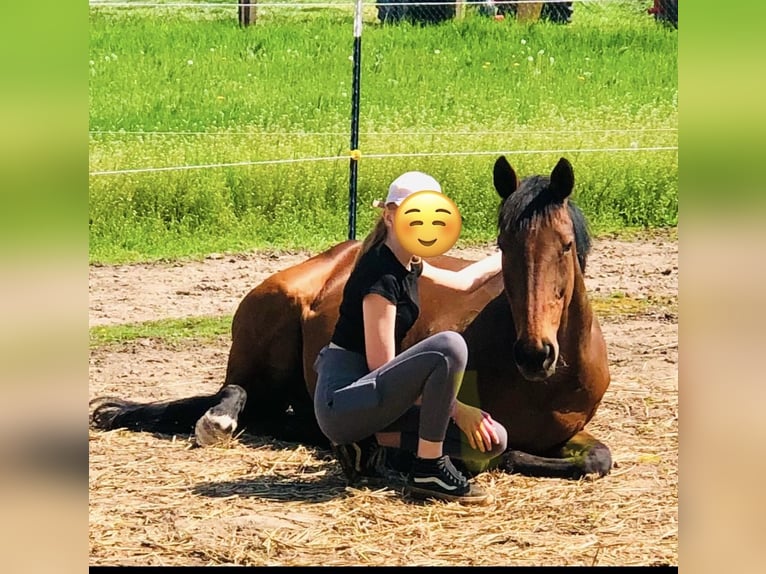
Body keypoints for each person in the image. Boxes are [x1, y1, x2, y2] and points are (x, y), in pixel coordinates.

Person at [313, 171, 508, 505]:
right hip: (345, 401)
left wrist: (513, 251)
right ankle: (429, 468)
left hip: (375, 401)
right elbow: (381, 369)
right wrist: (457, 409)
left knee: (494, 440)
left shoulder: (408, 263)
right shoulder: (381, 274)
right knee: (449, 347)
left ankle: (376, 451)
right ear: (390, 217)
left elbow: (463, 282)